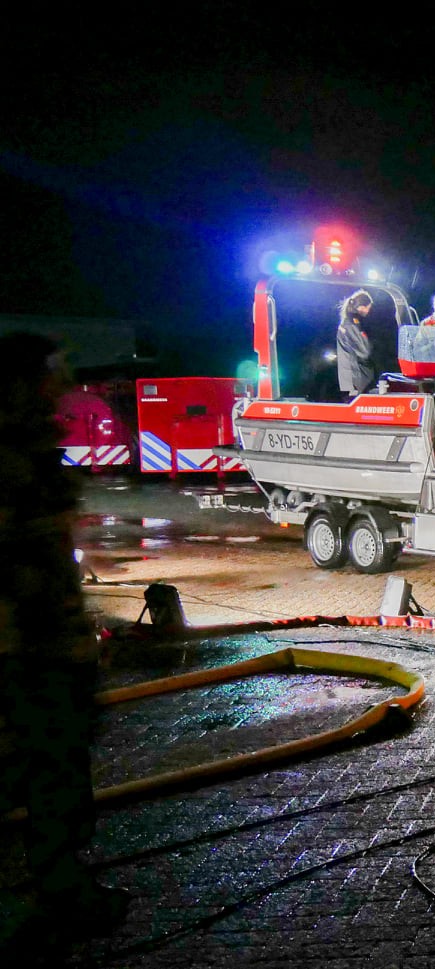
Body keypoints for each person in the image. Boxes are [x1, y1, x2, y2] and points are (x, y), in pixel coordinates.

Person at [0, 334, 129, 960]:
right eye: (55, 373)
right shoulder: (16, 455)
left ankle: (62, 889)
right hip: (32, 649)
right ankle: (59, 899)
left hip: (41, 641)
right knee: (50, 772)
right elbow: (29, 562)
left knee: (52, 769)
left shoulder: (29, 445)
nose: (65, 384)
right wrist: (59, 638)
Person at [335, 289, 376, 398]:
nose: (368, 311)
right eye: (368, 308)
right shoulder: (351, 325)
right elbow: (364, 352)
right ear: (362, 306)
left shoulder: (349, 323)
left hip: (351, 378)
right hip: (357, 378)